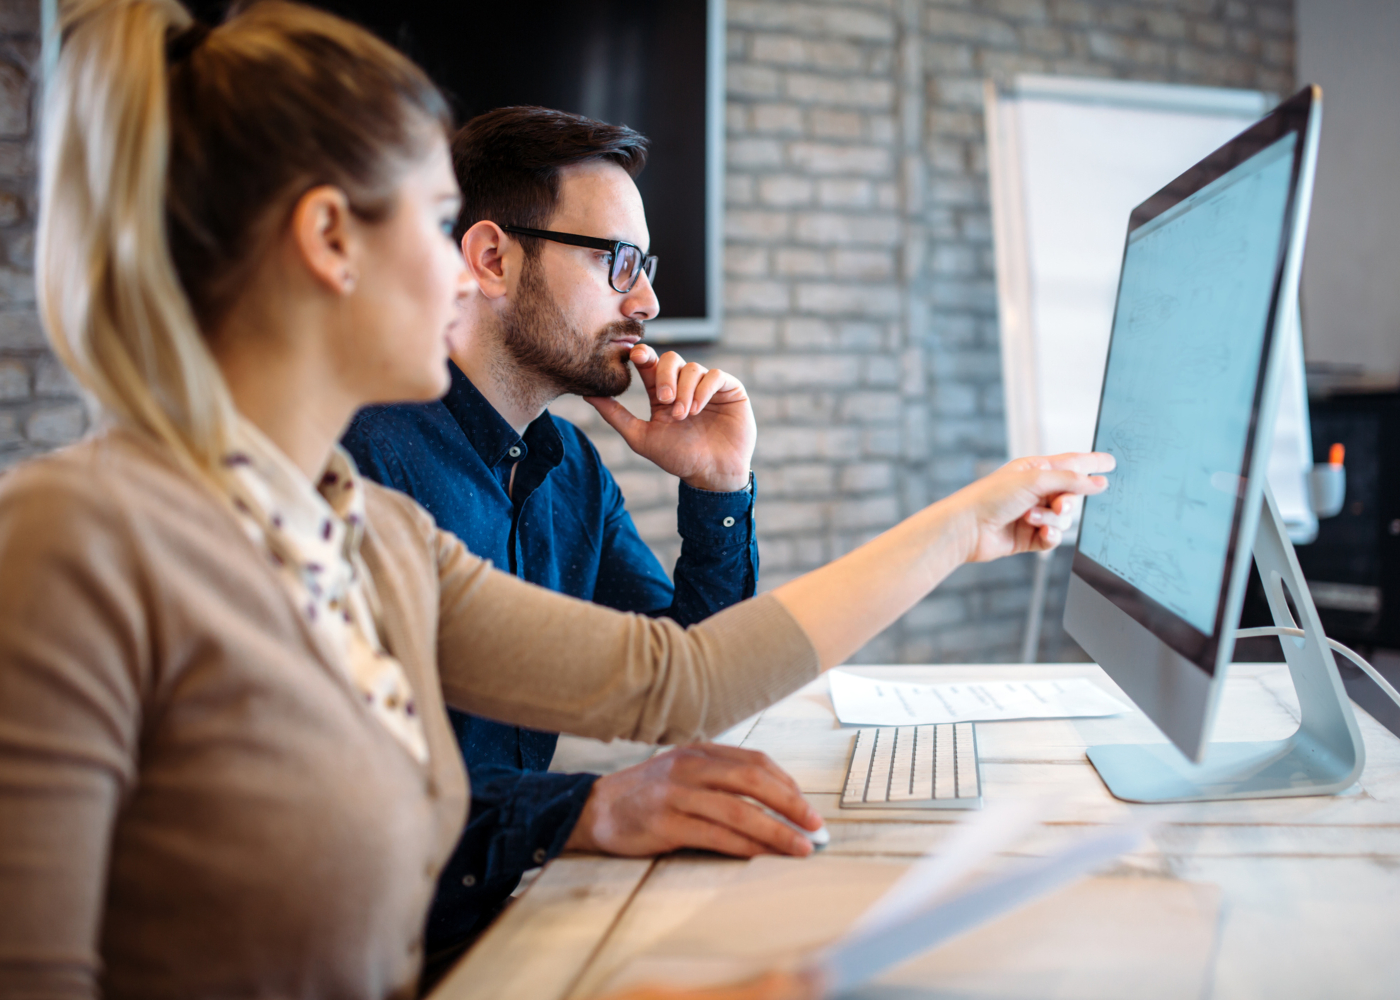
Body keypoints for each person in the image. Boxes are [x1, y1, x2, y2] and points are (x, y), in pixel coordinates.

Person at [0, 2, 1111, 999]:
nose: (454, 271)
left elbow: (683, 679)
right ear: (333, 240)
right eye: (434, 225)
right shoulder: (74, 544)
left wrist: (933, 518)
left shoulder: (359, 531)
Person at [340, 106, 804, 967]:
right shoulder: (361, 462)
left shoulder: (570, 470)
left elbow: (696, 683)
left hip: (519, 916)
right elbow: (352, 795)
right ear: (490, 258)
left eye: (647, 266)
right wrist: (581, 810)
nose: (650, 301)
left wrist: (719, 487)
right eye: (618, 262)